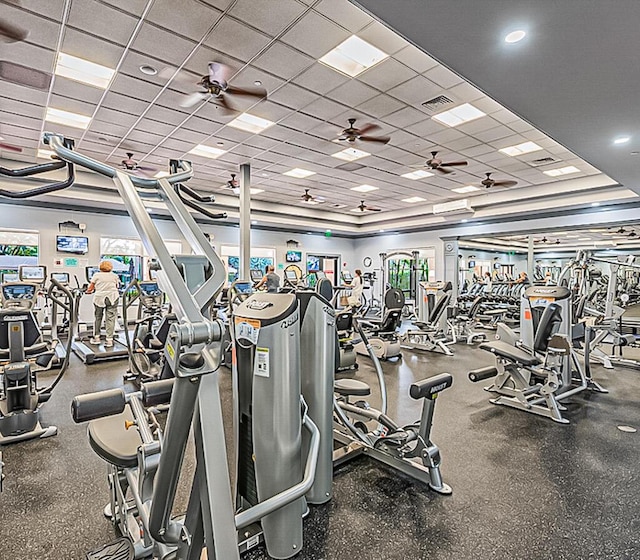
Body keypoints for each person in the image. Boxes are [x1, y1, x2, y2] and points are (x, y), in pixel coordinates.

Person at [86, 260, 121, 347]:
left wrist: (88, 291)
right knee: (110, 318)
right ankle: (109, 340)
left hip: (99, 298)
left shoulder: (96, 275)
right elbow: (117, 286)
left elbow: (90, 288)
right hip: (112, 297)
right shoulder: (114, 275)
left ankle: (96, 338)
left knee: (98, 317)